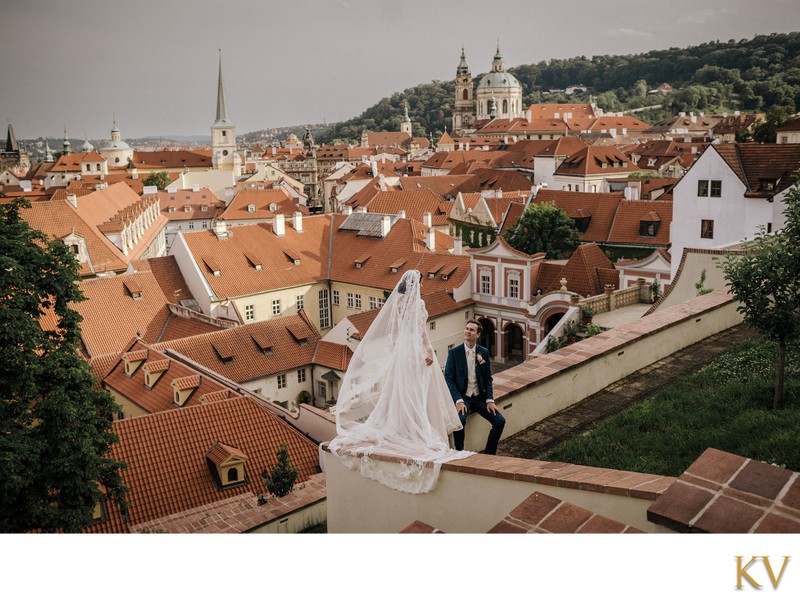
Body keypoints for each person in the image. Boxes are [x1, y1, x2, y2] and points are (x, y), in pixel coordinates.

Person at [328, 270, 471, 494]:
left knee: (401, 390)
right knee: (419, 391)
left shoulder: (398, 302)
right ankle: (420, 428)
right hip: (415, 348)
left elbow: (394, 333)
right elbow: (421, 331)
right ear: (417, 284)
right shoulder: (418, 303)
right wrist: (427, 351)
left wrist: (396, 354)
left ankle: (404, 426)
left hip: (402, 350)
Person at [445, 319, 505, 455]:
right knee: (460, 420)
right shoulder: (454, 352)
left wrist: (490, 399)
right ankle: (460, 452)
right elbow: (448, 378)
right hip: (463, 397)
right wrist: (458, 400)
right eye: (466, 328)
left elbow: (488, 378)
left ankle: (489, 454)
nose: (467, 331)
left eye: (471, 330)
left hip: (479, 398)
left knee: (500, 421)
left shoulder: (483, 352)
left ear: (478, 335)